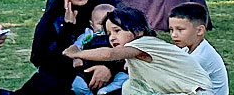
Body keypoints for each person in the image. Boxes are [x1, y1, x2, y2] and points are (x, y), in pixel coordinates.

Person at [59, 5, 211, 95]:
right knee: (130, 86)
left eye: (117, 31)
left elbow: (109, 54)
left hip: (196, 92)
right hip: (178, 91)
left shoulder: (145, 43)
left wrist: (76, 53)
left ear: (137, 31)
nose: (112, 38)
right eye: (109, 33)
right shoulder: (135, 51)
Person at [0, 0, 95, 95]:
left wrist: (106, 68)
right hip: (61, 82)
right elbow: (46, 63)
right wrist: (67, 29)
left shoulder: (103, 10)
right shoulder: (52, 20)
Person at [168, 3, 229, 95]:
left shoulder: (200, 58)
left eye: (180, 30)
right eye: (171, 30)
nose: (174, 35)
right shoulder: (188, 48)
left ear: (200, 30)